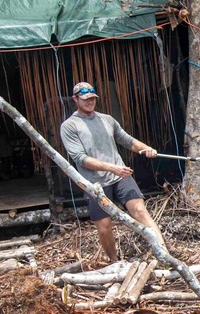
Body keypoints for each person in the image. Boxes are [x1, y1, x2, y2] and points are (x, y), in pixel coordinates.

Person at [60, 82, 167, 261]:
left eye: (92, 98)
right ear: (75, 99)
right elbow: (80, 159)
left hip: (120, 176)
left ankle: (165, 255)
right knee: (104, 226)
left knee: (140, 210)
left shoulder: (107, 119)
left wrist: (146, 148)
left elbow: (127, 140)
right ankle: (115, 262)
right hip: (94, 182)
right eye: (85, 99)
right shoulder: (70, 126)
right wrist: (112, 168)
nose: (90, 102)